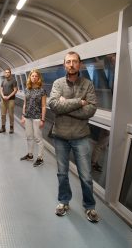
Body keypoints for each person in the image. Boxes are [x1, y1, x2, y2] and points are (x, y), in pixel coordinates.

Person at [48, 51, 99, 223]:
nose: (71, 64)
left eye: (74, 62)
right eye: (68, 62)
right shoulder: (57, 83)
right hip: (60, 136)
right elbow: (54, 105)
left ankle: (90, 206)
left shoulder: (88, 84)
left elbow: (91, 110)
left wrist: (66, 104)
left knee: (86, 175)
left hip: (81, 136)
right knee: (62, 173)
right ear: (64, 65)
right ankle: (64, 202)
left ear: (80, 64)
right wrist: (79, 102)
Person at [20, 69, 47, 167]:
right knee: (29, 137)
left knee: (38, 138)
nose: (34, 78)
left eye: (36, 76)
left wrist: (43, 119)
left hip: (37, 117)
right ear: (29, 78)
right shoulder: (27, 89)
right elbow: (25, 103)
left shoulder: (42, 90)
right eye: (32, 76)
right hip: (27, 116)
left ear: (39, 78)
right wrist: (23, 115)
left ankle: (40, 158)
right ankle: (30, 155)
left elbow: (44, 106)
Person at [0, 68, 17, 134]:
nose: (7, 73)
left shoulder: (13, 81)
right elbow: (1, 89)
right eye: (6, 72)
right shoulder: (3, 81)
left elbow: (15, 90)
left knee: (11, 114)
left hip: (11, 100)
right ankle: (3, 127)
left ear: (10, 73)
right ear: (4, 73)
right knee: (3, 114)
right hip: (3, 100)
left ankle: (11, 128)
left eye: (8, 72)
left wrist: (8, 96)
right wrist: (3, 96)